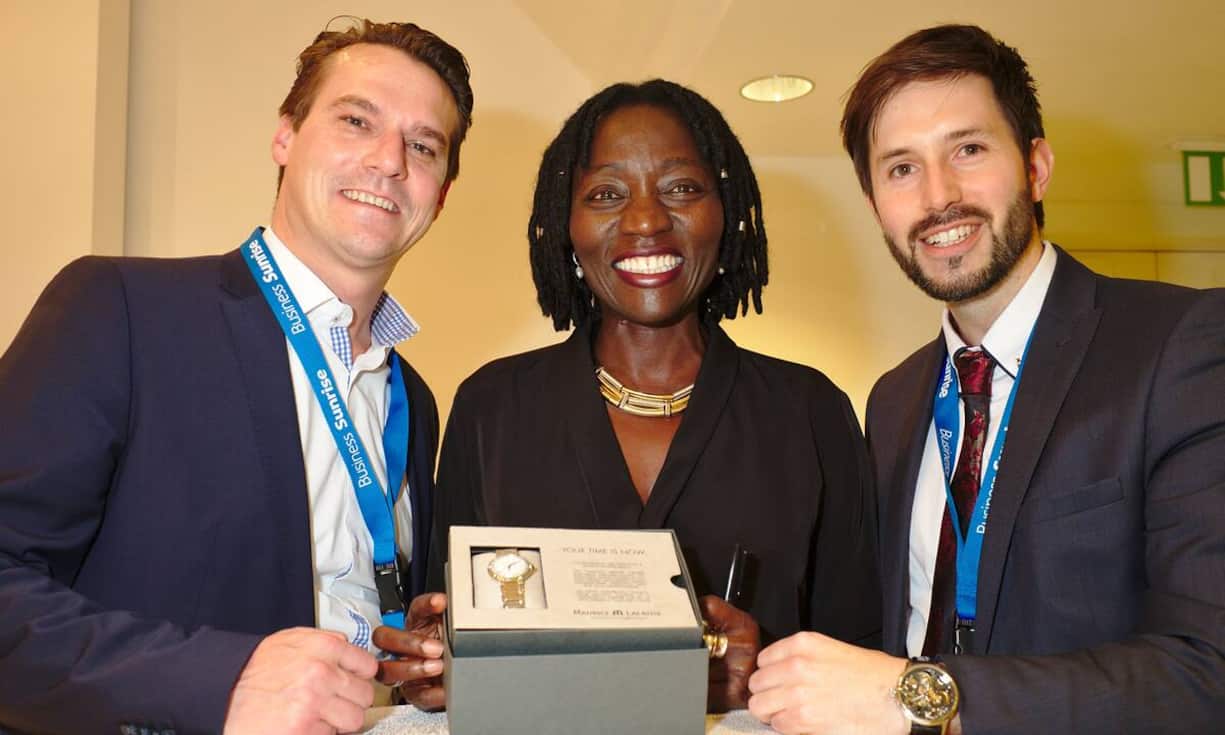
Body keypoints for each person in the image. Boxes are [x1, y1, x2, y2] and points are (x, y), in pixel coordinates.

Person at [747, 24, 1225, 735]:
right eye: (900, 168)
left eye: (967, 150)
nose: (939, 197)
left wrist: (916, 696)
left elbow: (1206, 673)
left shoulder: (1177, 345)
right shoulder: (895, 398)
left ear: (1035, 166)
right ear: (876, 203)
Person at [0, 18, 474, 735]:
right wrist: (221, 681)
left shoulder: (415, 398)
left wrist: (408, 661)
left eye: (423, 145)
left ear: (439, 194)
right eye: (356, 120)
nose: (388, 161)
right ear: (285, 135)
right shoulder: (120, 310)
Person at [376, 79, 881, 713]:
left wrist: (769, 666)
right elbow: (446, 645)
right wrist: (432, 665)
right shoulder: (492, 408)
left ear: (727, 212)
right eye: (607, 194)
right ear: (565, 224)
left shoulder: (810, 411)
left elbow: (862, 653)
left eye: (682, 189)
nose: (645, 220)